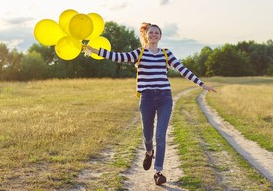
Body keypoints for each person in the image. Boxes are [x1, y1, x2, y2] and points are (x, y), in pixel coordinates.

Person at [84, 23, 216, 185]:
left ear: (160, 36)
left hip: (164, 98)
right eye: (151, 32)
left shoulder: (166, 54)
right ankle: (149, 151)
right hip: (146, 98)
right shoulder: (139, 53)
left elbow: (183, 70)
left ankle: (158, 172)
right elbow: (116, 56)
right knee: (147, 134)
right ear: (146, 36)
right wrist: (93, 50)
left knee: (160, 135)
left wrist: (202, 84)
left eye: (157, 33)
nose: (153, 35)